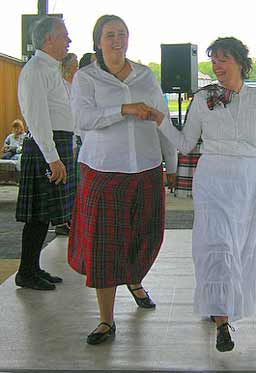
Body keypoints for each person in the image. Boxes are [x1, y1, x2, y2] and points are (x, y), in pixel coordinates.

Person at [148, 37, 256, 352]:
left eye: (223, 59)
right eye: (213, 61)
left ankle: (221, 305)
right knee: (218, 245)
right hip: (211, 178)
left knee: (239, 248)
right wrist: (161, 121)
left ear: (240, 61)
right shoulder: (203, 99)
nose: (216, 66)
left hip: (246, 181)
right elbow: (186, 144)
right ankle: (223, 323)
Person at [67, 15, 177, 345]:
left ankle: (134, 279)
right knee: (103, 246)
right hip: (102, 170)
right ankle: (106, 320)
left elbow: (162, 120)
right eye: (110, 35)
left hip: (145, 168)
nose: (118, 40)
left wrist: (170, 162)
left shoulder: (146, 75)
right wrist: (124, 108)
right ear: (98, 42)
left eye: (123, 34)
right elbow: (82, 119)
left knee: (147, 235)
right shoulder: (86, 78)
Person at [15, 16, 74, 291]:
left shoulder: (51, 69)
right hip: (44, 146)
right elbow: (36, 117)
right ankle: (25, 272)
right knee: (37, 215)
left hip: (55, 144)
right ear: (48, 39)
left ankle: (33, 267)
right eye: (64, 35)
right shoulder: (36, 69)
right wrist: (52, 156)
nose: (68, 40)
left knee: (44, 213)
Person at [52, 52, 79, 237]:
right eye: (75, 64)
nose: (77, 68)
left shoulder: (74, 87)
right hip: (62, 137)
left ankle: (68, 218)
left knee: (71, 181)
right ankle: (61, 221)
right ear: (69, 67)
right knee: (62, 181)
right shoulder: (60, 85)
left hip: (73, 136)